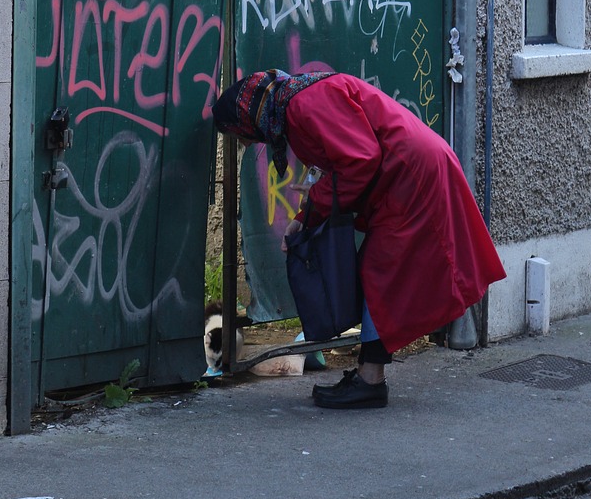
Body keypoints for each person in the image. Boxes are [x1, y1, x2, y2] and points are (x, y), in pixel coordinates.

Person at [212, 69, 506, 409]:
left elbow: (360, 159)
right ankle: (370, 377)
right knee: (377, 273)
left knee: (379, 274)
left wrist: (313, 210)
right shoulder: (296, 102)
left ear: (247, 118)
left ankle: (371, 381)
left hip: (410, 176)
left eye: (239, 135)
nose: (247, 144)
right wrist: (305, 217)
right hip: (406, 173)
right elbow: (342, 161)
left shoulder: (300, 107)